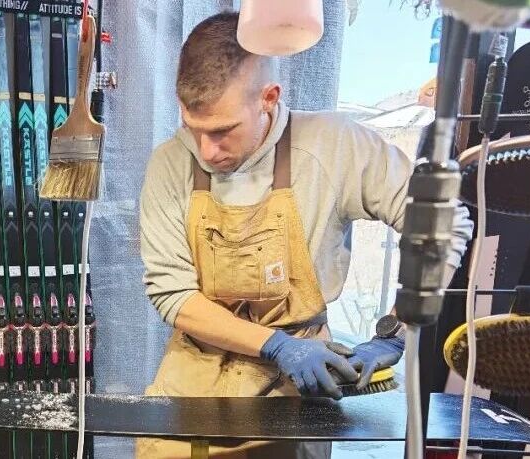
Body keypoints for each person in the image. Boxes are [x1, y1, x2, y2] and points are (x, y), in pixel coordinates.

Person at [136, 12, 473, 459]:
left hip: (298, 392)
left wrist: (394, 332)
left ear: (269, 98)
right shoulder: (170, 162)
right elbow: (172, 294)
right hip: (194, 384)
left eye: (222, 131)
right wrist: (274, 345)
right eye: (192, 129)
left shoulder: (335, 146)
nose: (206, 151)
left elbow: (445, 225)